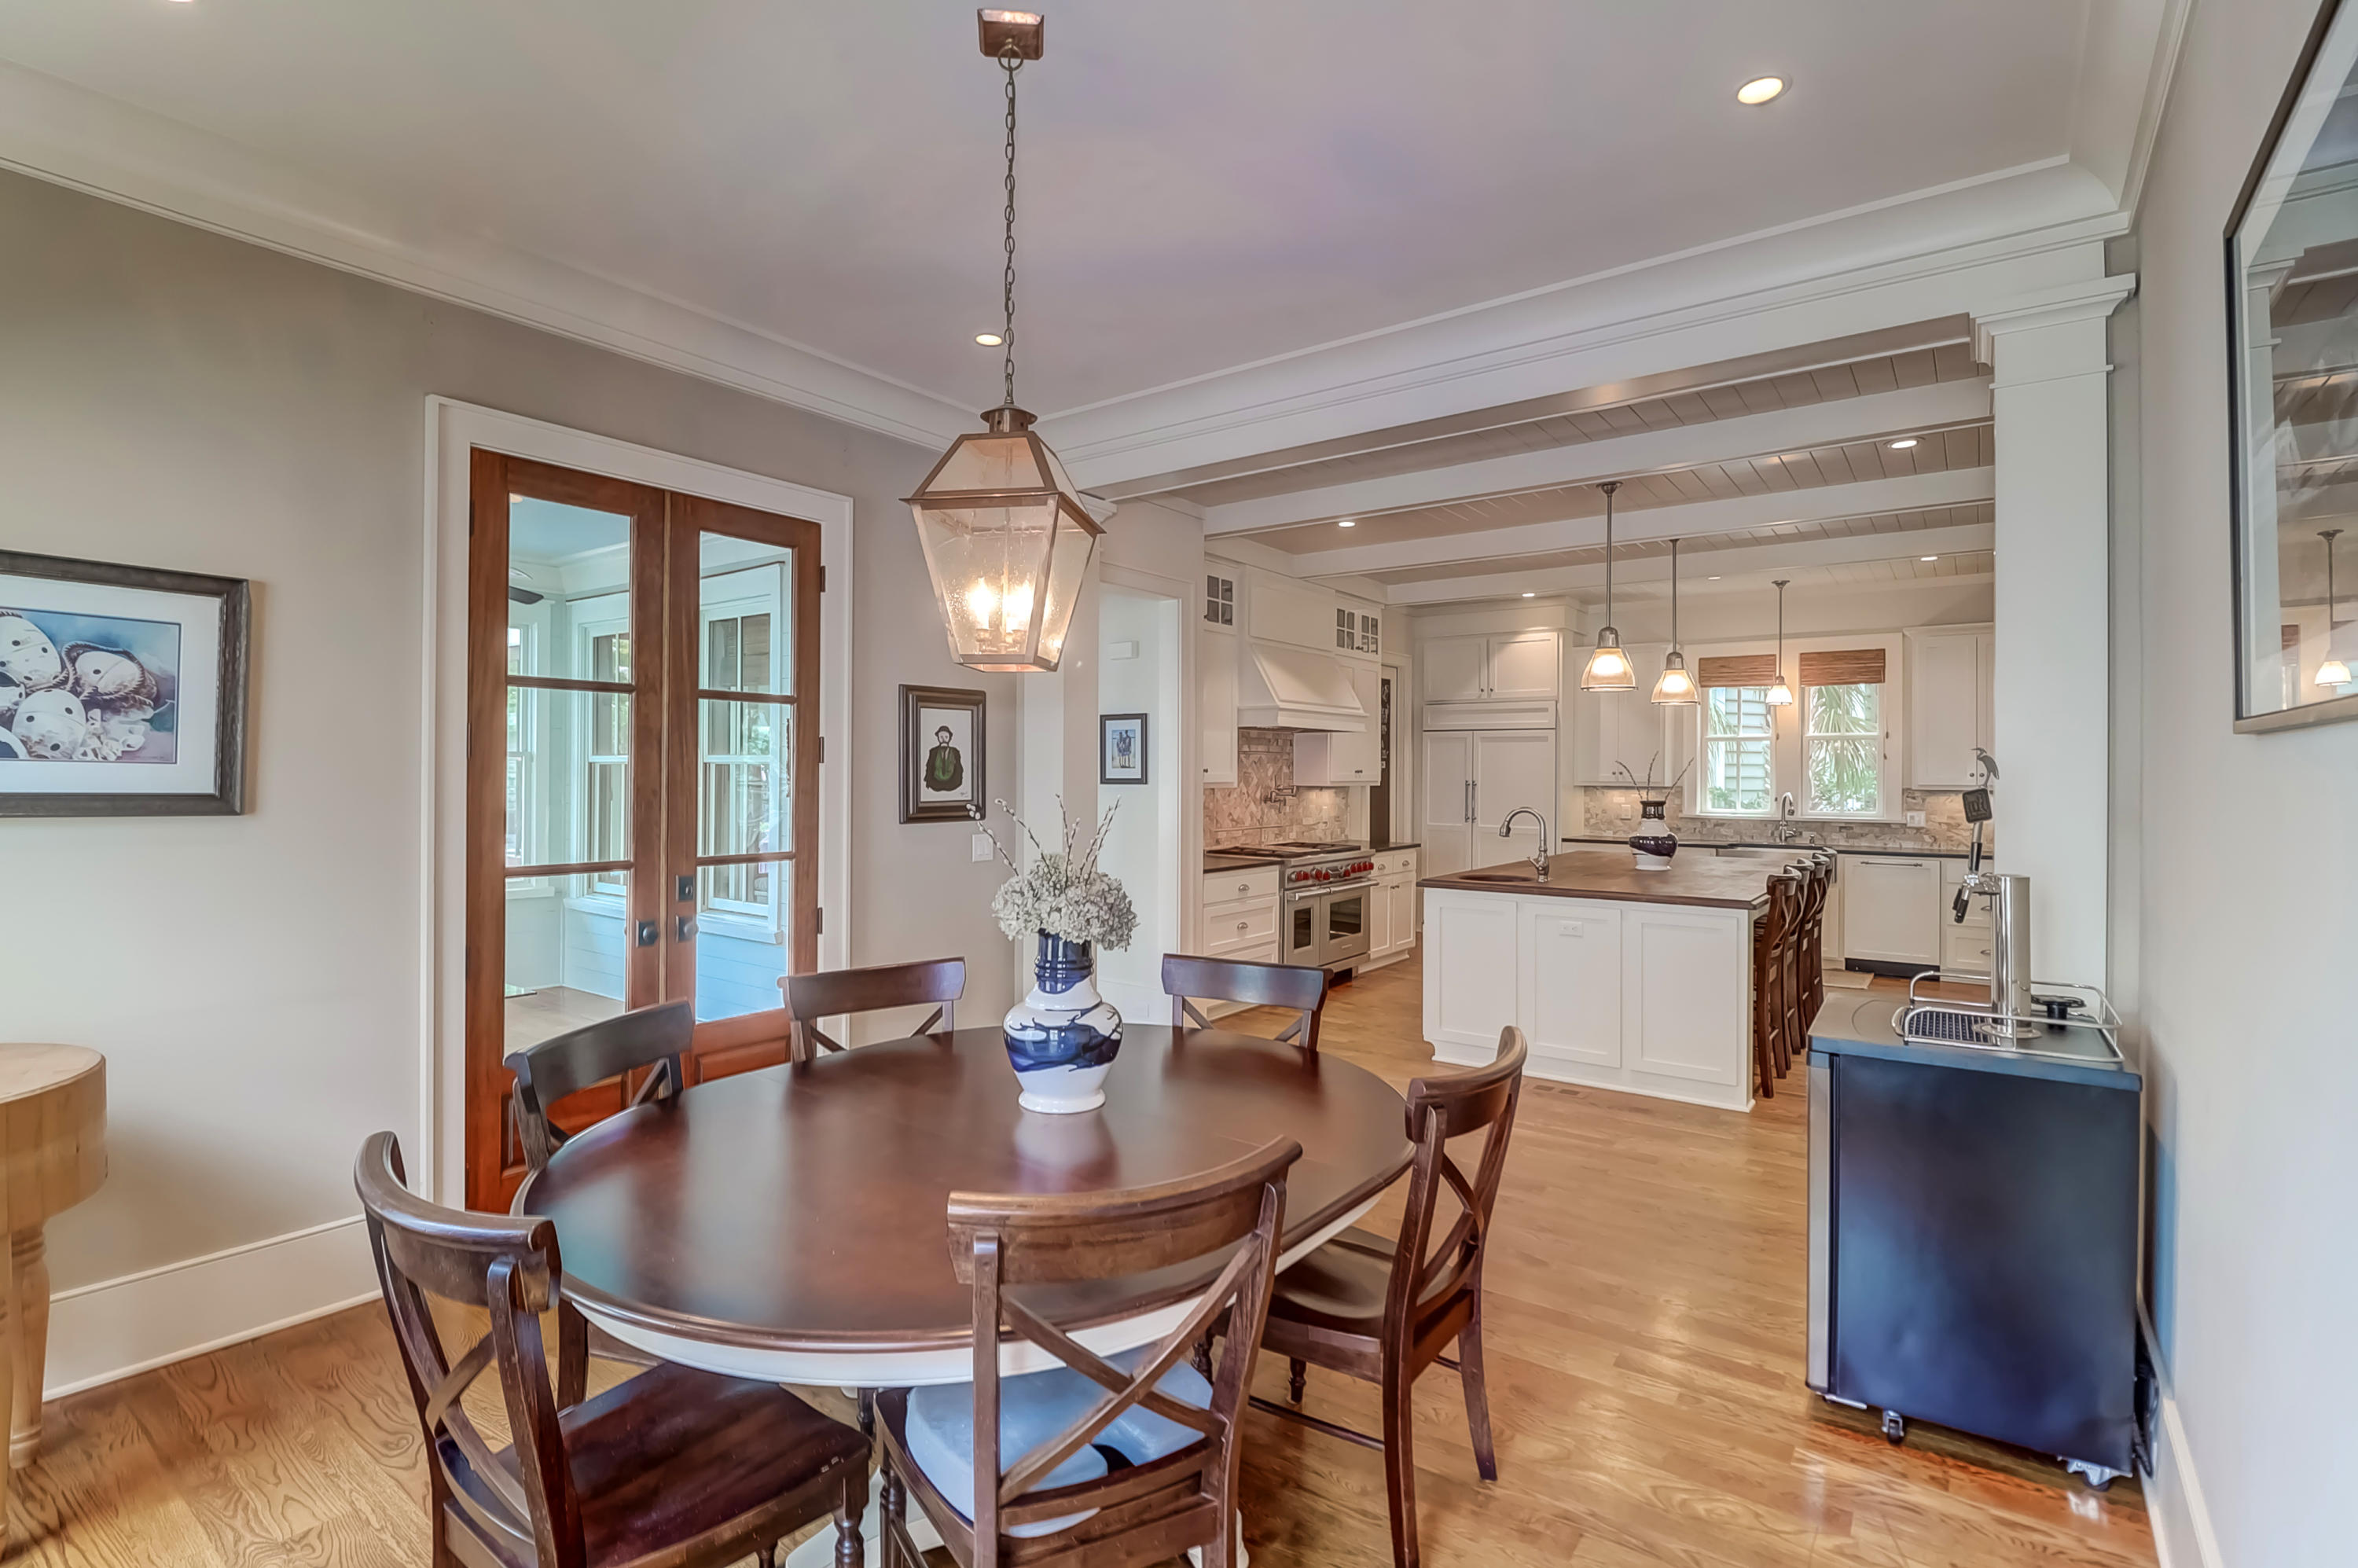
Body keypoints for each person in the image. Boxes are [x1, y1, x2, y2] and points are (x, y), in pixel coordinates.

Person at [924, 723, 964, 795]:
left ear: (949, 738)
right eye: (941, 737)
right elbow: (929, 766)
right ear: (938, 738)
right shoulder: (933, 752)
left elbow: (959, 768)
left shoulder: (955, 752)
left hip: (952, 784)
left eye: (946, 737)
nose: (943, 739)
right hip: (936, 785)